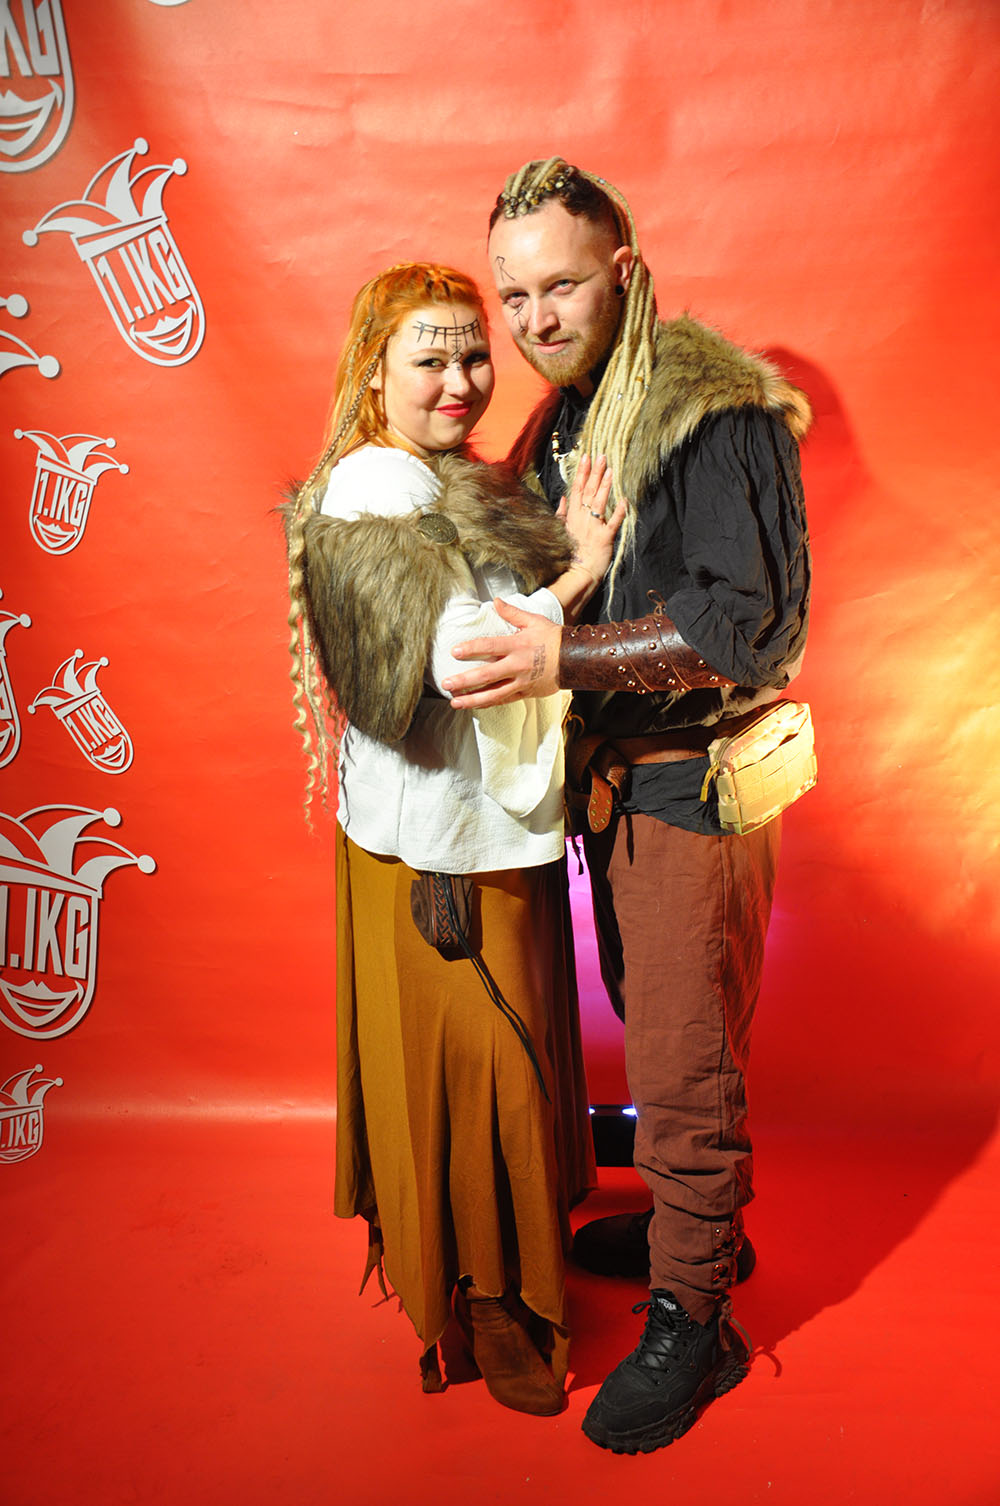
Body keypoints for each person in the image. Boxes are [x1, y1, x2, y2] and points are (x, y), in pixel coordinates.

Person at [441, 161, 812, 1453]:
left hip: (691, 787)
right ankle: (695, 1228)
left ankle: (696, 1316)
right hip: (618, 788)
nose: (535, 318)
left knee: (680, 1055)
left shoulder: (712, 409)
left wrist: (562, 658)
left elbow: (740, 629)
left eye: (560, 286)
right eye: (514, 296)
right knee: (662, 1036)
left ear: (626, 274)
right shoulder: (570, 416)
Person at [283, 262, 626, 1416]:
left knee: (508, 1065)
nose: (461, 380)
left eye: (473, 354)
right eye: (429, 359)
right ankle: (482, 1298)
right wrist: (579, 566)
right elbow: (465, 661)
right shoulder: (374, 485)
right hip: (433, 848)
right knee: (474, 1075)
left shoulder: (455, 477)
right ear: (373, 372)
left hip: (491, 828)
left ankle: (507, 1273)